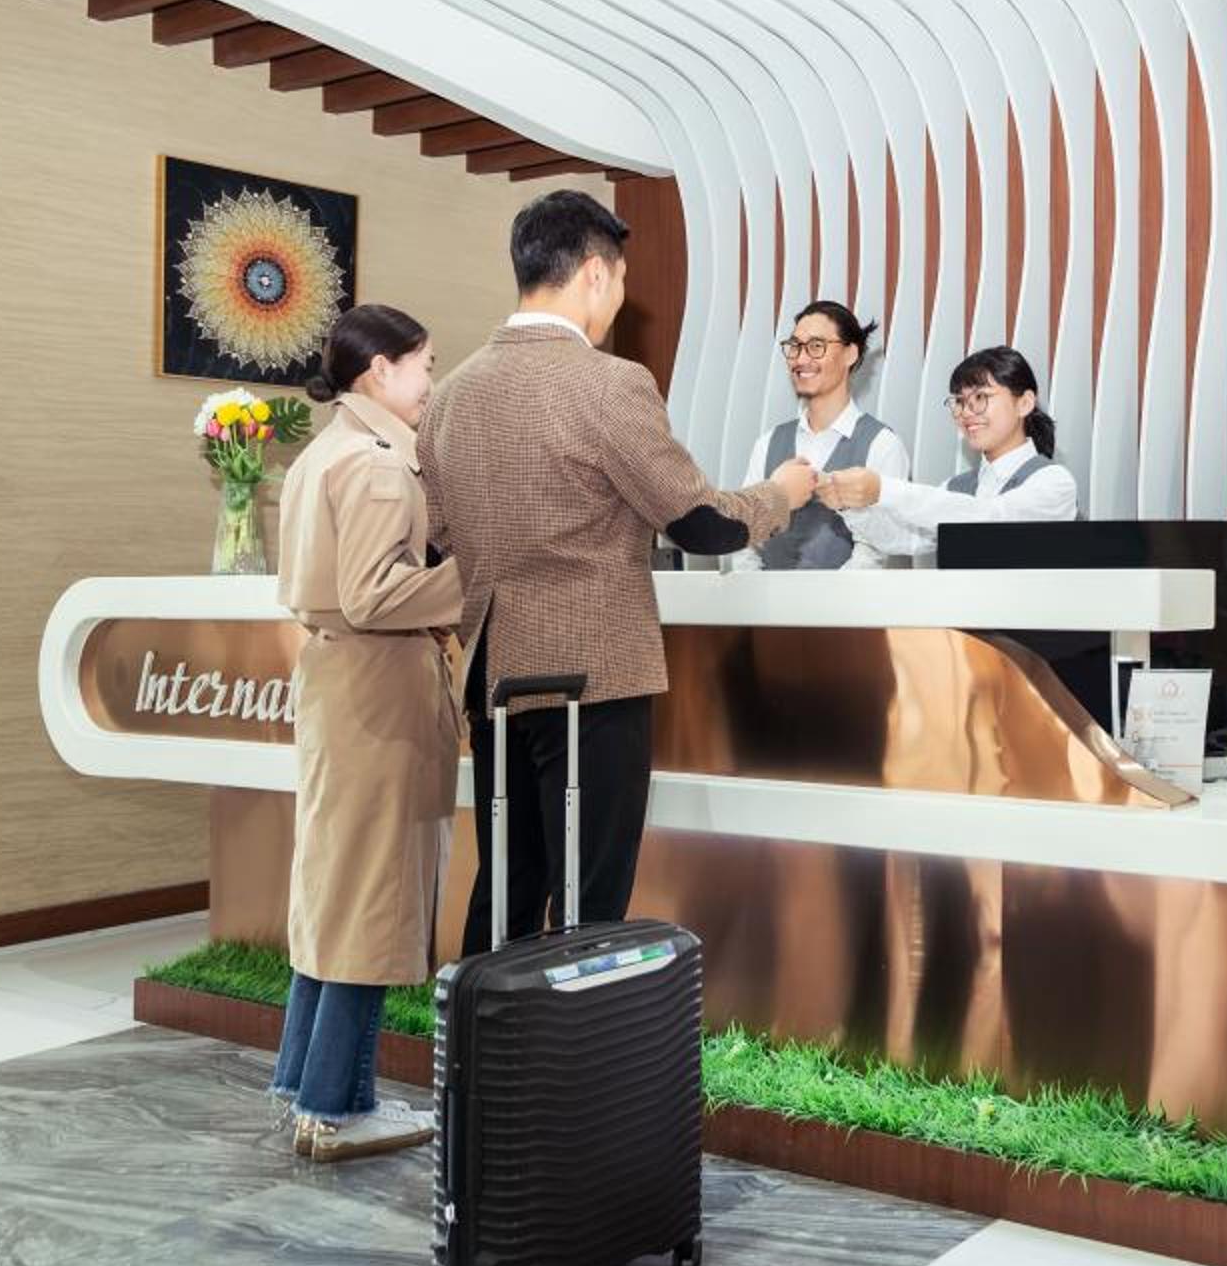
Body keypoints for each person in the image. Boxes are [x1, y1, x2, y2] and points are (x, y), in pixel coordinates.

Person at [420, 189, 817, 953]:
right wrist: (780, 495)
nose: (620, 298)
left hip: (494, 677)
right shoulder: (609, 383)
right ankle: (573, 1035)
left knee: (506, 885)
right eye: (623, 280)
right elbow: (700, 521)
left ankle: (480, 1029)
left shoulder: (450, 396)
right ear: (595, 274)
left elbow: (438, 542)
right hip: (591, 680)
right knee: (588, 902)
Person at [267, 303, 464, 1160]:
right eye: (426, 365)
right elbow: (376, 594)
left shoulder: (326, 452)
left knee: (333, 890)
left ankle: (304, 1091)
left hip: (339, 687)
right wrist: (479, 575)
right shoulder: (378, 465)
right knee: (370, 901)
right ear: (380, 369)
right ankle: (338, 1108)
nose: (432, 383)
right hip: (379, 694)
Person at [822, 343, 1079, 558]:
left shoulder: (1054, 482)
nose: (966, 412)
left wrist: (883, 489)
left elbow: (990, 521)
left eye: (980, 397)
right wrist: (848, 504)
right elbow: (903, 539)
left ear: (1024, 403)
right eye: (959, 401)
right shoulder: (956, 487)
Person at [750, 300, 912, 569]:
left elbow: (874, 553)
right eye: (795, 347)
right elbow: (746, 539)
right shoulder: (767, 443)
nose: (801, 359)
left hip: (845, 597)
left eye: (816, 346)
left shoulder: (883, 445)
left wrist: (826, 596)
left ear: (850, 354)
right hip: (766, 595)